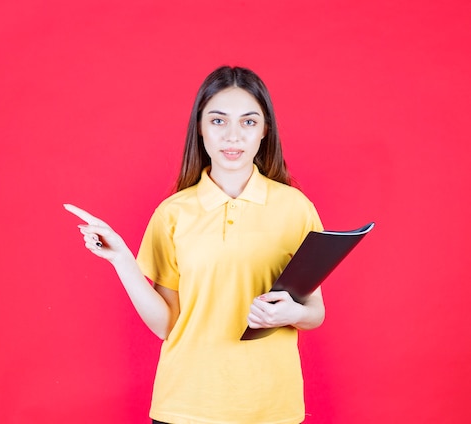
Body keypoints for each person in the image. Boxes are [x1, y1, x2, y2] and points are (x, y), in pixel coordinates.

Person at [64, 66, 325, 424]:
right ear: (200, 128)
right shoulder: (173, 214)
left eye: (248, 122)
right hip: (185, 406)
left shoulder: (296, 209)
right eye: (218, 121)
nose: (232, 136)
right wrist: (121, 259)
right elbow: (166, 326)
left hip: (271, 408)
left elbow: (315, 312)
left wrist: (292, 314)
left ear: (265, 130)